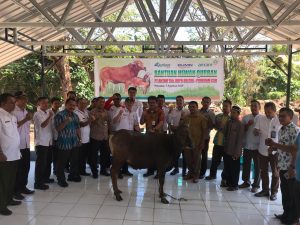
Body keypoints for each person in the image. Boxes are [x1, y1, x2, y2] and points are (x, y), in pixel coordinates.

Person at [265, 108, 299, 224]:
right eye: (279, 116)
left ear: (290, 117)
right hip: (282, 164)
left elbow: (293, 149)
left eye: (283, 116)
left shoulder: (294, 130)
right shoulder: (281, 129)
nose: (280, 118)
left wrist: (292, 167)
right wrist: (272, 148)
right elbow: (282, 146)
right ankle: (286, 213)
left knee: (292, 194)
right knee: (284, 191)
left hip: (290, 166)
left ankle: (294, 217)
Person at [0, 93, 22, 216]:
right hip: (4, 155)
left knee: (10, 180)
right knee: (3, 181)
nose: (14, 105)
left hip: (14, 153)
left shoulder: (12, 116)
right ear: (3, 103)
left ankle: (8, 199)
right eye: (11, 102)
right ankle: (1, 205)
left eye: (14, 102)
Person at [254, 102, 280, 201]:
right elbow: (255, 131)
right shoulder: (260, 119)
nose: (267, 114)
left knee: (275, 173)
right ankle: (265, 190)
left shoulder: (279, 121)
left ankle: (274, 192)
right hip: (262, 150)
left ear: (274, 111)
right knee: (263, 171)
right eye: (266, 112)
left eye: (269, 112)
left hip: (275, 151)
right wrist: (256, 131)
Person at [12, 91, 34, 200]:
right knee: (18, 169)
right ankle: (15, 191)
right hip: (18, 145)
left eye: (26, 98)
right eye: (23, 98)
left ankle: (23, 186)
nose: (25, 101)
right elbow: (13, 127)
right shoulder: (13, 112)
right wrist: (26, 119)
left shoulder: (25, 111)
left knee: (26, 166)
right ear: (17, 99)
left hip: (26, 144)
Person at [54, 98, 81, 187]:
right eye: (70, 105)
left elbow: (77, 128)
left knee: (75, 160)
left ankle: (72, 176)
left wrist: (80, 139)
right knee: (62, 162)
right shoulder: (59, 115)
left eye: (74, 105)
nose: (72, 107)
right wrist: (65, 121)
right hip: (64, 142)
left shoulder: (75, 116)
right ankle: (60, 180)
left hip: (74, 141)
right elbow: (58, 129)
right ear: (66, 105)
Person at [112, 97, 140, 178]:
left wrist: (139, 130)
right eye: (128, 103)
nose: (129, 104)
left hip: (130, 136)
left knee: (127, 154)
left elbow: (136, 124)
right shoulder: (120, 110)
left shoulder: (134, 113)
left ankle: (125, 170)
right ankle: (118, 171)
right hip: (120, 136)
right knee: (119, 154)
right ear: (125, 103)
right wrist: (119, 114)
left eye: (131, 103)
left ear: (133, 104)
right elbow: (114, 121)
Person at [206, 99, 232, 185]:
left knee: (226, 163)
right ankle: (212, 175)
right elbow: (215, 127)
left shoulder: (232, 119)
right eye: (223, 106)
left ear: (230, 108)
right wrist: (216, 124)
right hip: (217, 143)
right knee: (214, 160)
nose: (224, 108)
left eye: (226, 106)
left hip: (226, 145)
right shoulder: (218, 116)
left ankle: (224, 178)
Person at [239, 100, 261, 193]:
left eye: (255, 106)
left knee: (257, 167)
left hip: (258, 147)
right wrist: (248, 125)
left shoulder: (263, 118)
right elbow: (241, 131)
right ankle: (246, 182)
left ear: (259, 107)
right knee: (246, 165)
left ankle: (256, 185)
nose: (253, 108)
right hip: (247, 145)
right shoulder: (246, 118)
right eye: (251, 106)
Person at [182, 101, 207, 183]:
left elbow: (204, 131)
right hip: (187, 143)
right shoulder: (186, 118)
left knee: (196, 160)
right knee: (188, 159)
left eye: (193, 107)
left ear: (197, 107)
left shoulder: (202, 118)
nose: (192, 108)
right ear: (188, 108)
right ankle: (190, 173)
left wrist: (202, 142)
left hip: (197, 142)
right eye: (190, 107)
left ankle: (196, 175)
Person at [140, 95, 164, 177]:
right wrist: (143, 114)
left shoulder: (160, 111)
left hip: (158, 136)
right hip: (148, 137)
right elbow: (142, 123)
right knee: (149, 154)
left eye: (153, 102)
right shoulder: (146, 112)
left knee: (159, 155)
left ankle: (158, 172)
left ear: (157, 103)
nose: (152, 104)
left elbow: (161, 122)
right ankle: (150, 171)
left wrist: (155, 129)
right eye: (150, 102)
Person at [33, 97, 53, 190]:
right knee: (40, 164)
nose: (46, 104)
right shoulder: (37, 114)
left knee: (47, 162)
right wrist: (49, 116)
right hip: (41, 142)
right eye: (43, 103)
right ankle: (38, 183)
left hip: (48, 141)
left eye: (47, 103)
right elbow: (43, 125)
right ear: (39, 104)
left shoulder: (48, 112)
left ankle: (45, 178)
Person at [223, 106, 244, 191]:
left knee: (234, 168)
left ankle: (234, 185)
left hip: (235, 151)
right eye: (231, 112)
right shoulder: (229, 123)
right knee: (228, 167)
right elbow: (225, 134)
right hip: (227, 149)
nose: (232, 114)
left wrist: (237, 153)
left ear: (238, 114)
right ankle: (229, 183)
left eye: (234, 113)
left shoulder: (240, 124)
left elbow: (240, 140)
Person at [168, 96, 189, 176]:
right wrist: (172, 126)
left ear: (183, 101)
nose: (179, 102)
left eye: (180, 100)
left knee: (185, 154)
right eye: (177, 100)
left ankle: (184, 171)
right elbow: (169, 122)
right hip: (175, 135)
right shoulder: (172, 111)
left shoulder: (188, 111)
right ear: (176, 102)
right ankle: (176, 169)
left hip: (184, 136)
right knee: (175, 154)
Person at [89, 97, 111, 178]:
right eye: (100, 102)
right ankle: (94, 172)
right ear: (96, 102)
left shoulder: (106, 112)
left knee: (104, 155)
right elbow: (90, 124)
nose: (102, 103)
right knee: (94, 156)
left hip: (105, 137)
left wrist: (110, 134)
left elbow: (108, 123)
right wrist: (98, 118)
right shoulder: (92, 112)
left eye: (103, 102)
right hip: (95, 137)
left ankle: (103, 170)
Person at [74, 98, 93, 176]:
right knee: (78, 156)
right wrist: (90, 120)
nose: (83, 105)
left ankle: (82, 170)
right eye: (81, 103)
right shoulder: (76, 113)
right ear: (77, 104)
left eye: (85, 103)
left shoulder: (86, 112)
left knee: (84, 156)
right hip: (79, 138)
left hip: (86, 138)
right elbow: (81, 124)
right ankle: (77, 171)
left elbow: (88, 124)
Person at [199, 96, 215, 179]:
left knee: (204, 155)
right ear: (201, 102)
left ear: (210, 103)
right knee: (196, 155)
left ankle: (202, 172)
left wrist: (209, 121)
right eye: (204, 102)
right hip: (196, 137)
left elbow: (212, 127)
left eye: (207, 102)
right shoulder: (198, 112)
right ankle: (195, 170)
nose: (205, 103)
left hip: (205, 137)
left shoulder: (211, 113)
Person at [50, 97, 61, 177]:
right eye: (55, 103)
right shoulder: (48, 112)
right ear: (52, 104)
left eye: (58, 103)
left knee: (58, 155)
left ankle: (57, 170)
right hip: (50, 137)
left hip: (59, 136)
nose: (57, 105)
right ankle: (54, 170)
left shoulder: (60, 112)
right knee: (52, 156)